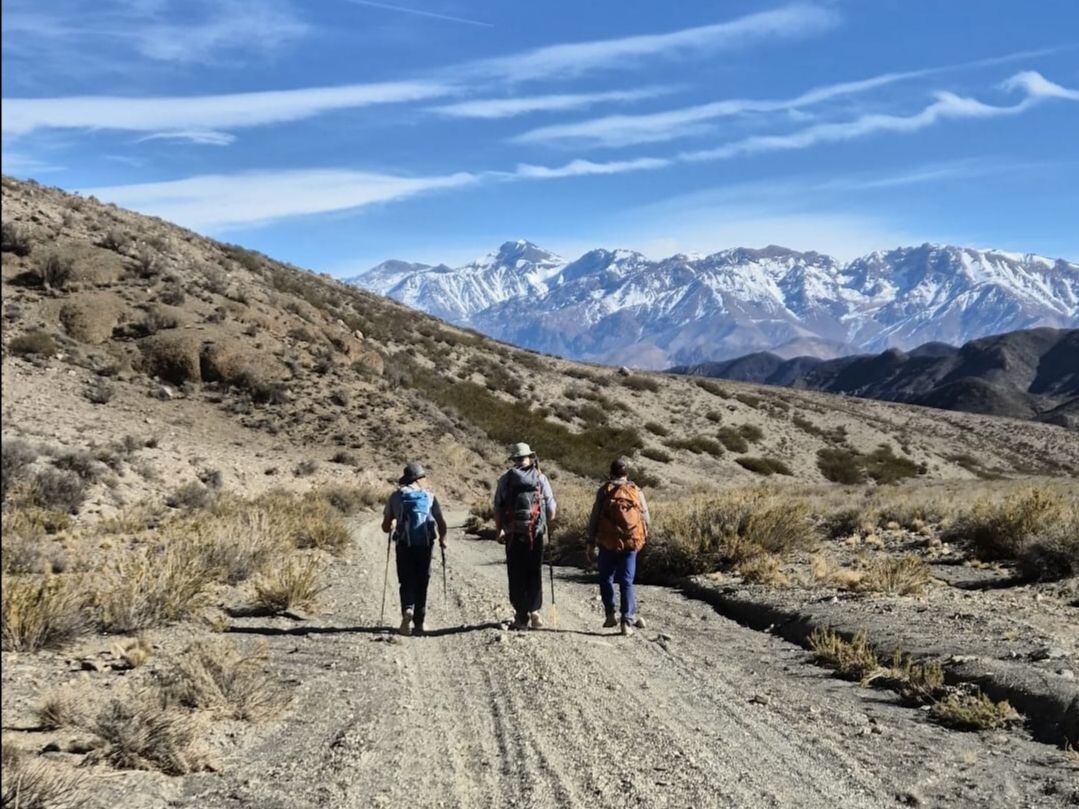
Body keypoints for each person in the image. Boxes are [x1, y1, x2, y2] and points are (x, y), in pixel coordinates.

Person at [493, 442, 557, 630]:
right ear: (530, 457)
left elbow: (498, 507)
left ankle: (521, 617)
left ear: (514, 459)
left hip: (513, 534)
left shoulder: (505, 479)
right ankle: (535, 611)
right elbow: (552, 509)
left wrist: (499, 530)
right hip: (535, 533)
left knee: (516, 573)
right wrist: (545, 522)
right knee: (533, 572)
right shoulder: (540, 478)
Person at [381, 462, 448, 636]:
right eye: (424, 477)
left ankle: (407, 610)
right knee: (422, 581)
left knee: (406, 580)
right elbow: (441, 522)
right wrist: (443, 539)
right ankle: (419, 623)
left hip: (404, 545)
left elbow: (385, 527)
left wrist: (393, 523)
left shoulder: (396, 496)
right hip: (425, 546)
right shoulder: (430, 496)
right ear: (419, 479)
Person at [587, 458, 650, 636]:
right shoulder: (636, 491)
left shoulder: (604, 491)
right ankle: (626, 622)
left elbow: (594, 518)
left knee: (606, 577)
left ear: (611, 473)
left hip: (607, 542)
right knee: (627, 581)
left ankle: (610, 613)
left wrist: (590, 542)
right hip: (630, 544)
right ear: (626, 473)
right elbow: (646, 518)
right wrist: (640, 539)